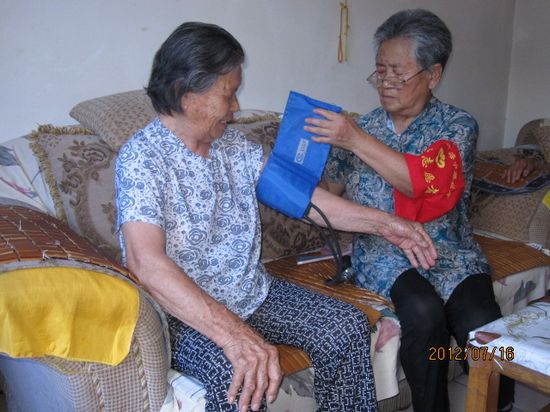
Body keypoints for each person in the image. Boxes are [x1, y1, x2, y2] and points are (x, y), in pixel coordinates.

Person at [115, 22, 437, 412]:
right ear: (187, 93)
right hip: (185, 316)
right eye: (229, 94)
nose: (236, 107)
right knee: (237, 378)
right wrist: (235, 336)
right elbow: (146, 262)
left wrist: (388, 224)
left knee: (345, 328)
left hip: (252, 294)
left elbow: (307, 199)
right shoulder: (143, 158)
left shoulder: (232, 146)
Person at [304, 9, 515, 412]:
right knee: (423, 312)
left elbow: (423, 183)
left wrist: (354, 138)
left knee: (481, 323)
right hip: (384, 253)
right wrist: (298, 170)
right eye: (380, 71)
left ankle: (498, 405)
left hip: (450, 254)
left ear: (433, 75)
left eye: (398, 73)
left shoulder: (457, 126)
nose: (386, 82)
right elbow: (329, 193)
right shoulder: (363, 127)